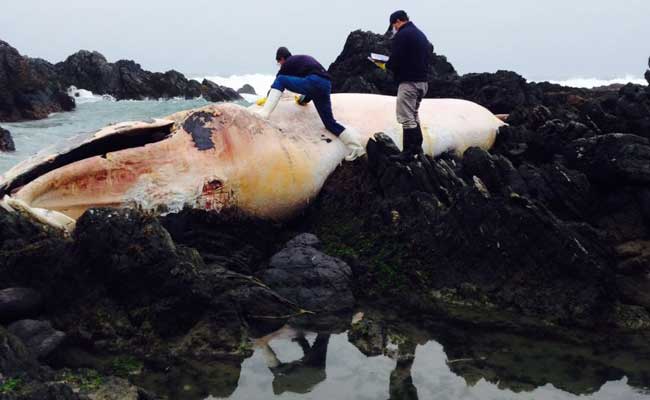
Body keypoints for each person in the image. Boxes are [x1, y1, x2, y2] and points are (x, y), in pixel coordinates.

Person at [256, 47, 365, 161]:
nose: (280, 65)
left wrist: (267, 99)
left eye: (279, 62)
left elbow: (278, 80)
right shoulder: (301, 61)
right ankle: (357, 148)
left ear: (282, 58)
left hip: (314, 81)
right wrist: (303, 101)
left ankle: (264, 114)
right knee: (329, 123)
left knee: (281, 80)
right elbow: (311, 85)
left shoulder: (288, 63)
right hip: (326, 84)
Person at [384, 10, 431, 161]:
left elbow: (395, 58)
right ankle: (418, 148)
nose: (394, 28)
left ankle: (408, 152)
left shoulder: (402, 35)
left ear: (397, 21)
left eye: (393, 25)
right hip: (422, 82)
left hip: (409, 82)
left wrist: (386, 65)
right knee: (414, 115)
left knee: (406, 117)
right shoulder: (420, 34)